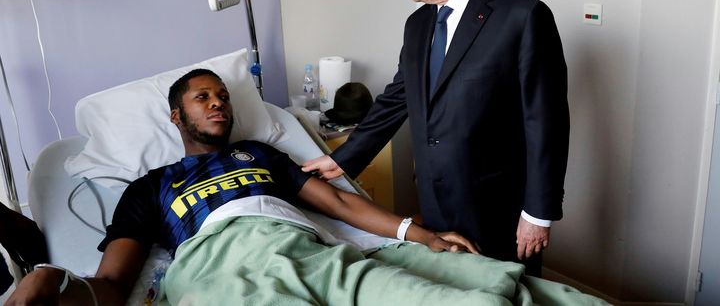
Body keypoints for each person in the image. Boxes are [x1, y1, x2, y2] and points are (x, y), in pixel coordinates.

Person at [5, 69, 494, 306]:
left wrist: (419, 234)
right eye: (203, 98)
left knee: (461, 295)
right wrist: (55, 284)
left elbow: (340, 203)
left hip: (303, 250)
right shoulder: (151, 187)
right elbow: (112, 285)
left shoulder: (260, 154)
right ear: (177, 117)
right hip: (220, 267)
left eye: (222, 96)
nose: (219, 103)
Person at [302, 0, 569, 276]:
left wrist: (538, 214)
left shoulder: (522, 17)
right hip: (434, 202)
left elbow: (548, 123)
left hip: (497, 208)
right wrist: (343, 158)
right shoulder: (418, 25)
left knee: (509, 294)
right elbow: (398, 98)